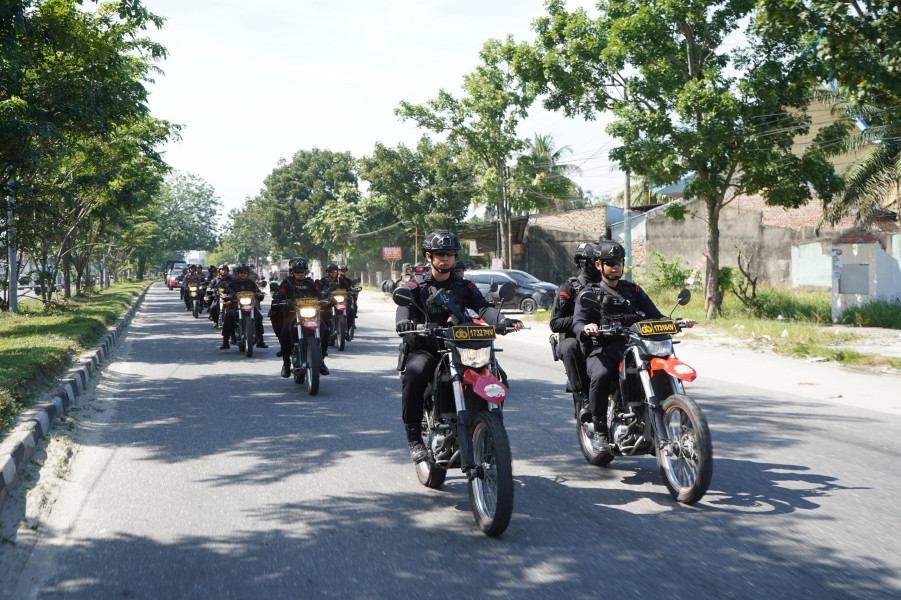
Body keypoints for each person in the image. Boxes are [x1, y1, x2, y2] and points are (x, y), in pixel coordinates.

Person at [395, 229, 524, 463]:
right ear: (428, 256)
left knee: (497, 376)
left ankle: (486, 427)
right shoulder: (416, 287)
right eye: (440, 253)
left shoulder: (466, 287)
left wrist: (503, 321)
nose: (446, 258)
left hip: (460, 348)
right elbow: (403, 307)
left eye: (451, 253)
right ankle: (414, 438)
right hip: (428, 347)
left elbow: (485, 308)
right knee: (414, 376)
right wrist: (404, 322)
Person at [572, 241, 695, 451]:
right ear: (599, 265)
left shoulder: (633, 290)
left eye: (619, 262)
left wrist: (677, 321)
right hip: (603, 348)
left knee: (660, 367)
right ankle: (600, 432)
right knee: (601, 375)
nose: (616, 267)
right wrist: (587, 327)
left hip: (635, 346)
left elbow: (655, 315)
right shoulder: (589, 292)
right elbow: (578, 321)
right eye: (610, 263)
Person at [549, 242, 600, 421]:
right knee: (570, 346)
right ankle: (584, 397)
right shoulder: (570, 287)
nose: (598, 265)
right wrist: (582, 322)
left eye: (600, 261)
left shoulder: (609, 285)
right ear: (582, 263)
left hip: (602, 337)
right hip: (575, 339)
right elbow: (555, 323)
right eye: (594, 261)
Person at [274, 258, 330, 377]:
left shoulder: (311, 283)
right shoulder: (287, 283)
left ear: (306, 272)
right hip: (292, 315)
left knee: (325, 330)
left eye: (302, 272)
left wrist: (327, 300)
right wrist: (280, 299)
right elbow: (280, 293)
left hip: (311, 315)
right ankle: (286, 364)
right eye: (297, 271)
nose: (300, 274)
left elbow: (319, 294)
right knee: (284, 333)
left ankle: (321, 361)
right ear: (292, 272)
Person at [220, 265, 268, 350]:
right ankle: (225, 341)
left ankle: (260, 340)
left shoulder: (251, 283)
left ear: (247, 274)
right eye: (241, 273)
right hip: (236, 306)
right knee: (228, 316)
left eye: (245, 273)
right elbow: (225, 292)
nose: (243, 275)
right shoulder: (232, 283)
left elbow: (257, 291)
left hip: (250, 306)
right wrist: (226, 296)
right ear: (237, 274)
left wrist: (260, 294)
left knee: (259, 317)